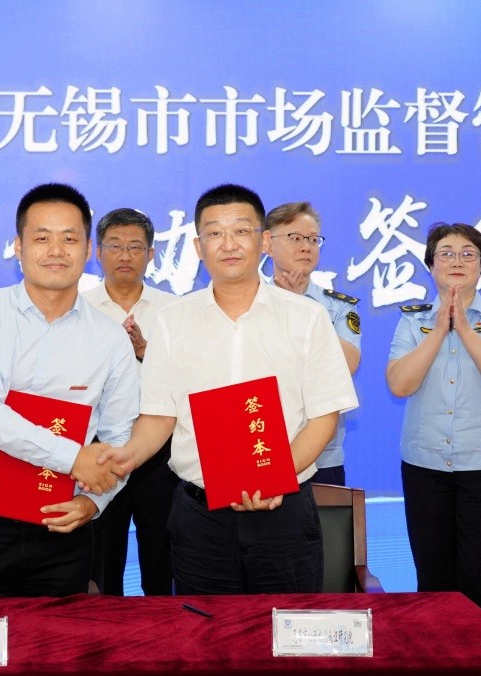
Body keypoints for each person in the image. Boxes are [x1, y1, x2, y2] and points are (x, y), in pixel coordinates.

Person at [100, 184, 357, 596]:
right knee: (206, 631)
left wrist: (275, 478)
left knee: (285, 630)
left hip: (284, 511)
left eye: (241, 230)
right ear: (198, 247)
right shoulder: (172, 320)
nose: (229, 244)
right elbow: (159, 415)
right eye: (215, 233)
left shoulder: (307, 317)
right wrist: (124, 457)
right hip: (201, 517)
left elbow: (325, 414)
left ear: (264, 241)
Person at [0, 183, 139, 597]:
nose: (56, 251)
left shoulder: (110, 338)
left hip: (65, 527)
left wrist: (94, 503)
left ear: (88, 250)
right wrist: (74, 458)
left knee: (59, 640)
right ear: (18, 246)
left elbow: (120, 437)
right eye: (41, 238)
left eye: (69, 239)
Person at [386, 222, 481, 621]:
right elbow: (399, 384)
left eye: (468, 254)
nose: (457, 261)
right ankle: (436, 658)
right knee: (433, 581)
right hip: (425, 466)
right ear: (431, 266)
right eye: (445, 253)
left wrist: (464, 328)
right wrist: (439, 329)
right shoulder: (412, 321)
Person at [81, 208, 179, 595]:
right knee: (103, 554)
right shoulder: (78, 308)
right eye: (115, 246)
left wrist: (145, 353)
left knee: (161, 552)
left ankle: (163, 628)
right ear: (97, 252)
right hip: (100, 447)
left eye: (135, 247)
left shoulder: (174, 311)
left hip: (160, 450)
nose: (125, 256)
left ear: (151, 254)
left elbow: (192, 379)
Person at [264, 201, 361, 486]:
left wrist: (302, 308)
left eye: (313, 239)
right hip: (261, 446)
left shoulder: (338, 307)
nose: (306, 247)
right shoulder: (248, 302)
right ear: (267, 244)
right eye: (295, 238)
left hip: (323, 456)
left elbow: (347, 364)